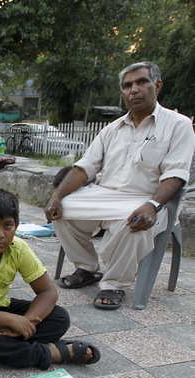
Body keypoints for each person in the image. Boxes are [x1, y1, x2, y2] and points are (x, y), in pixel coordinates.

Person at [45, 61, 195, 310]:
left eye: (141, 82)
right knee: (61, 210)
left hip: (148, 199)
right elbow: (84, 168)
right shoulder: (112, 129)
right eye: (127, 85)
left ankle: (113, 284)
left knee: (132, 223)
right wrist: (57, 195)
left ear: (157, 86)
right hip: (104, 195)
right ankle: (87, 268)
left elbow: (176, 175)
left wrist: (153, 205)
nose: (133, 90)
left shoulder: (178, 125)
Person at [0, 189, 100, 374]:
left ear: (16, 226)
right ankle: (50, 353)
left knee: (59, 318)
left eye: (8, 226)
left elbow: (48, 292)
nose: (0, 234)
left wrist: (26, 321)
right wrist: (10, 319)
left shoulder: (18, 248)